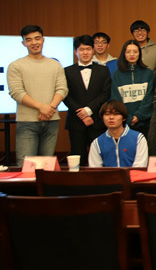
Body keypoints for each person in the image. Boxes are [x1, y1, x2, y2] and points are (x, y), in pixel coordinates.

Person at [8, 25, 69, 166]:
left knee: (46, 166)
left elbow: (62, 89)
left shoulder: (55, 65)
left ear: (43, 40)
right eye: (29, 40)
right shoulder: (16, 65)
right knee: (26, 166)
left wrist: (50, 108)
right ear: (23, 43)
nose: (34, 42)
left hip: (52, 121)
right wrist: (42, 107)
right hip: (27, 122)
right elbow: (17, 92)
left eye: (37, 38)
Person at [63, 35, 111, 166]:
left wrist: (88, 110)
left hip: (96, 120)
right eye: (81, 49)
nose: (85, 52)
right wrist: (82, 114)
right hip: (75, 121)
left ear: (93, 50)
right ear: (75, 52)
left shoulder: (103, 70)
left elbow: (105, 93)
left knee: (99, 156)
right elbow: (65, 95)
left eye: (88, 49)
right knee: (77, 157)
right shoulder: (67, 71)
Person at [111, 39, 154, 135]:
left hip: (145, 123)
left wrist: (139, 116)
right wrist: (128, 118)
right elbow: (116, 99)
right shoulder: (117, 74)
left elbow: (150, 97)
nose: (132, 54)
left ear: (139, 54)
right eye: (128, 52)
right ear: (124, 54)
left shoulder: (148, 73)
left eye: (135, 51)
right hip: (123, 123)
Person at [88, 100, 149, 168]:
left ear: (124, 118)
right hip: (106, 175)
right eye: (107, 114)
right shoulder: (97, 143)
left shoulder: (138, 138)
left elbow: (140, 166)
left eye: (116, 114)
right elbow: (95, 169)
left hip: (133, 175)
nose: (111, 117)